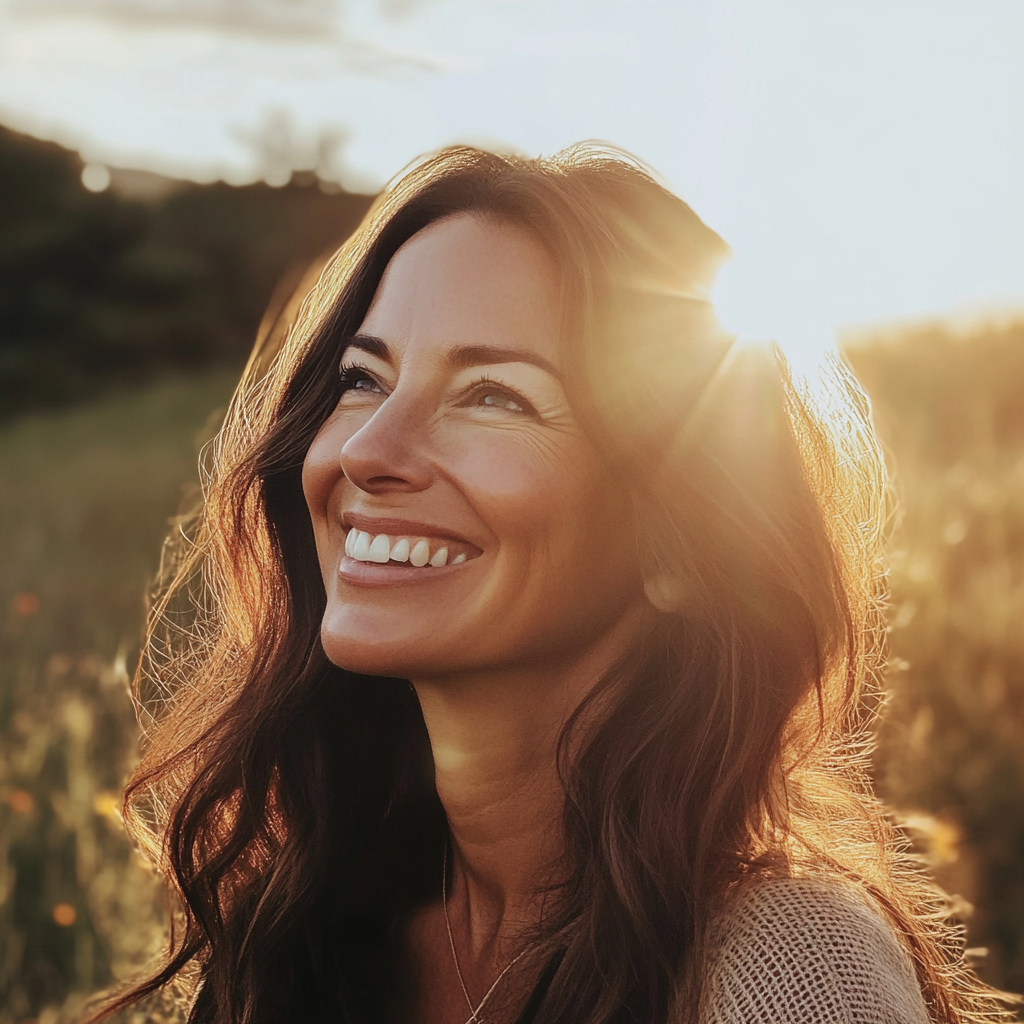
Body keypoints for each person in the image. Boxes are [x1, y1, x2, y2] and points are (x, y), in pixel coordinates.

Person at [95, 144, 1008, 1024]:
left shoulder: (786, 966)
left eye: (495, 396)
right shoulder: (303, 924)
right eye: (363, 378)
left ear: (680, 540)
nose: (367, 450)